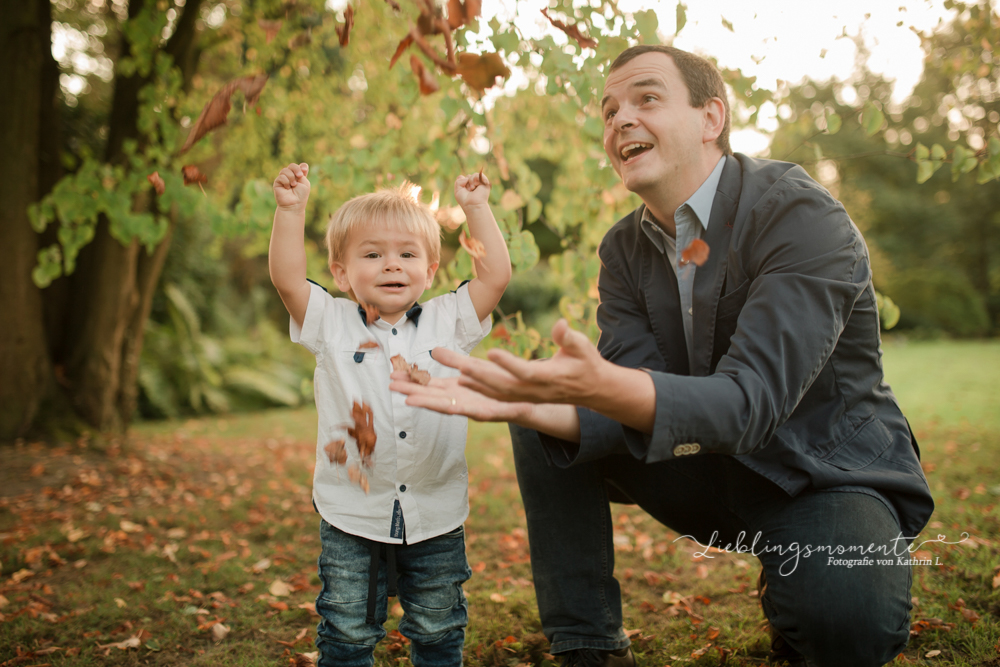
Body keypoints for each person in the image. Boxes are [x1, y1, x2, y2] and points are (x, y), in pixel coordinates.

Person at [391, 45, 934, 667]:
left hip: (822, 475)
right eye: (609, 109)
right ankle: (587, 645)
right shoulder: (621, 249)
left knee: (846, 630)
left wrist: (596, 388)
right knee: (538, 412)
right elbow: (642, 385)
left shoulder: (800, 213)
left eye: (647, 98)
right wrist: (540, 404)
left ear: (712, 119)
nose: (620, 118)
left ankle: (802, 580)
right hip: (705, 467)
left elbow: (750, 401)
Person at [269, 162, 511, 667]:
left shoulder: (450, 319)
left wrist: (477, 209)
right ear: (341, 273)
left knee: (439, 625)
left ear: (430, 269)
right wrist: (290, 212)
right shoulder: (330, 323)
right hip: (351, 512)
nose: (391, 265)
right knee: (347, 629)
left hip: (436, 510)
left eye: (406, 254)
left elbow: (496, 275)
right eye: (372, 255)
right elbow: (288, 279)